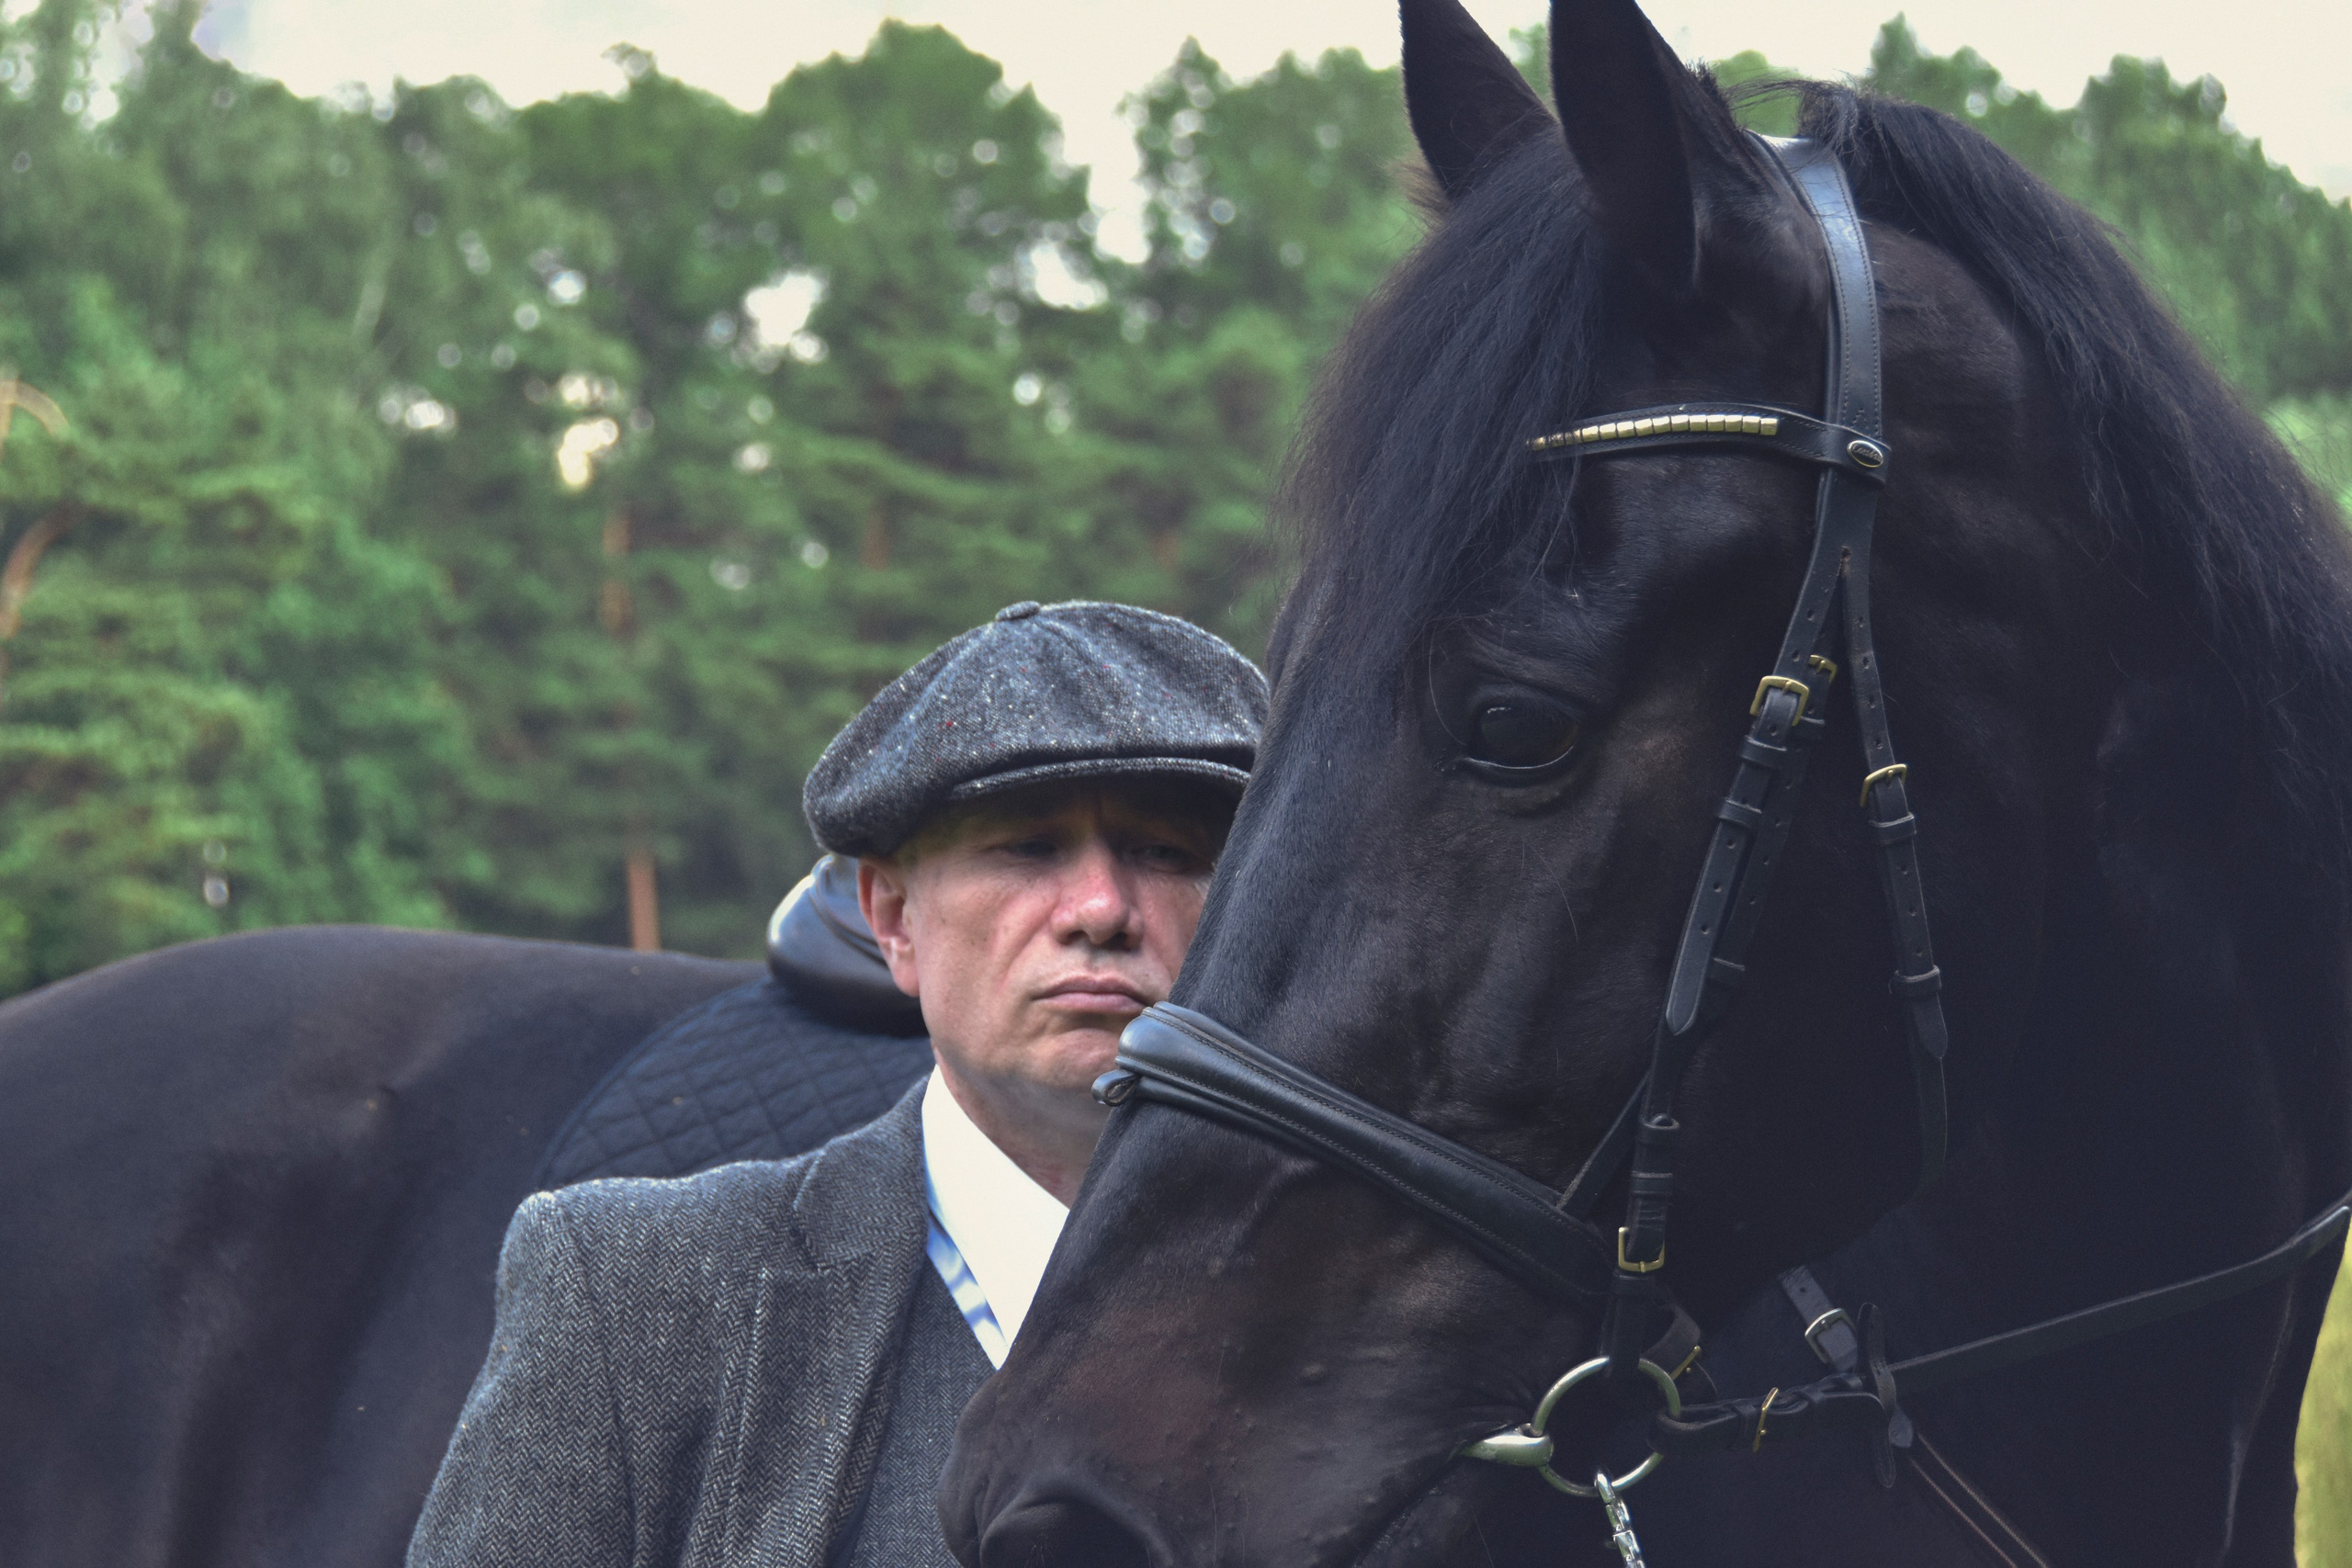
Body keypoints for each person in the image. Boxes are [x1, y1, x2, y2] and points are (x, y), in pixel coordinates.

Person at [407, 600, 1268, 1568]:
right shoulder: (629, 1299)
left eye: (1165, 851)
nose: (1102, 908)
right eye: (1028, 847)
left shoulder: (1382, 1311)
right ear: (892, 918)